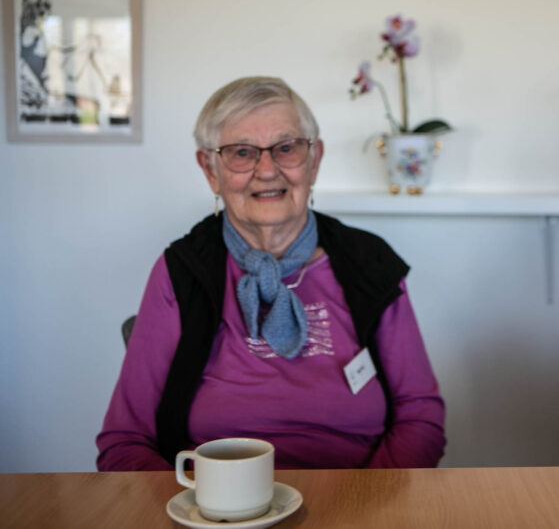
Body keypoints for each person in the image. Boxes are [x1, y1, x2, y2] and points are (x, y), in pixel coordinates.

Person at [96, 77, 446, 470]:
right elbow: (124, 441)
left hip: (358, 504)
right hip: (218, 512)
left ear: (314, 160)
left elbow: (420, 417)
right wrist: (195, 505)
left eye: (286, 148)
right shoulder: (181, 271)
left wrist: (367, 507)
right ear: (210, 170)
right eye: (242, 152)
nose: (267, 169)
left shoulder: (369, 263)